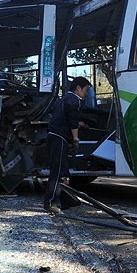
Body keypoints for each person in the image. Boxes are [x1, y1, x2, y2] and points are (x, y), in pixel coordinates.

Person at [43, 76, 91, 214]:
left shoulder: (63, 99)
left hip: (54, 137)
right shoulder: (75, 100)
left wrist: (79, 124)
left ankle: (67, 200)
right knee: (57, 172)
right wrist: (76, 139)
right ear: (78, 88)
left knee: (64, 172)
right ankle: (50, 203)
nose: (86, 93)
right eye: (86, 90)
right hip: (59, 138)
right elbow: (72, 121)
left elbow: (64, 117)